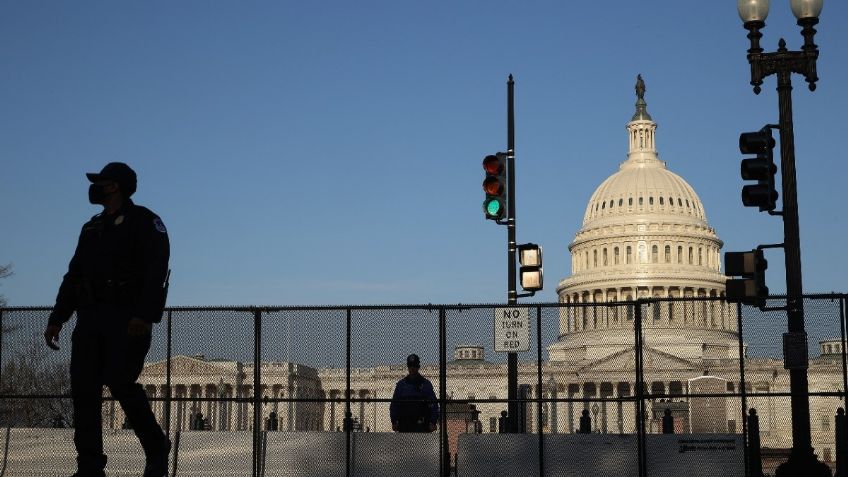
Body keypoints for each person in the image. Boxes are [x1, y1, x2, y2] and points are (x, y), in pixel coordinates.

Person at [43, 162, 171, 477]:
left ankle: (156, 447)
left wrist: (144, 315)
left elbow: (157, 273)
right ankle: (89, 465)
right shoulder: (92, 228)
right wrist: (58, 317)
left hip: (126, 319)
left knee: (120, 383)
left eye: (100, 182)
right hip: (90, 320)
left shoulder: (145, 222)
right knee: (84, 391)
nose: (94, 187)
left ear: (114, 186)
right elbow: (74, 277)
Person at [389, 354, 439, 432]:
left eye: (414, 365)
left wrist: (433, 421)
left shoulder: (426, 384)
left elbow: (434, 404)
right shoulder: (401, 385)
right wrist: (394, 421)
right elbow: (394, 404)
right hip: (405, 424)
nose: (412, 368)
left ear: (418, 367)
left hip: (422, 424)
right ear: (408, 367)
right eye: (410, 365)